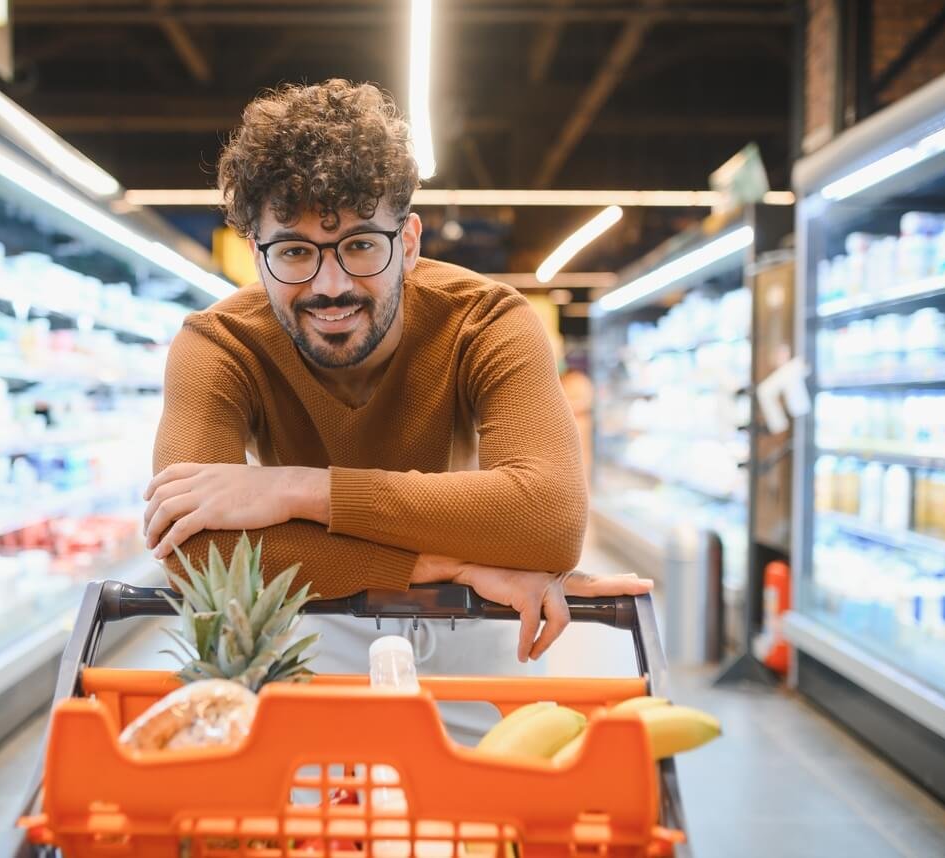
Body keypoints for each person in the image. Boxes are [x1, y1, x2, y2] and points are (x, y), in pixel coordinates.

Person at [143, 80, 650, 738]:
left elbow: (547, 519)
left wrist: (301, 488)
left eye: (359, 245)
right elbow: (191, 547)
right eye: (294, 252)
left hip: (474, 632)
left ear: (408, 241)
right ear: (256, 256)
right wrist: (449, 565)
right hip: (309, 626)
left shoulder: (487, 320)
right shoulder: (218, 344)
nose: (330, 286)